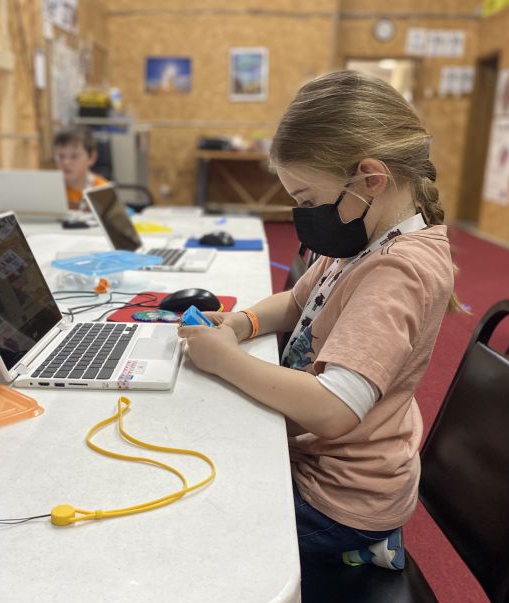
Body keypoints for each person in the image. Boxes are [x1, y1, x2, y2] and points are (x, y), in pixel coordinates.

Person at [178, 70, 456, 571]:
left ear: (371, 178)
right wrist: (239, 325)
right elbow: (294, 302)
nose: (302, 214)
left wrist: (225, 362)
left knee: (195, 538)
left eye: (308, 200)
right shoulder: (363, 236)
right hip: (321, 460)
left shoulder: (398, 270)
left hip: (340, 498)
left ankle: (362, 544)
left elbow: (333, 410)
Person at [52, 126, 109, 209]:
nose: (66, 163)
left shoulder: (103, 190)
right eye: (61, 156)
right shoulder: (50, 190)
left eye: (74, 156)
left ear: (91, 157)